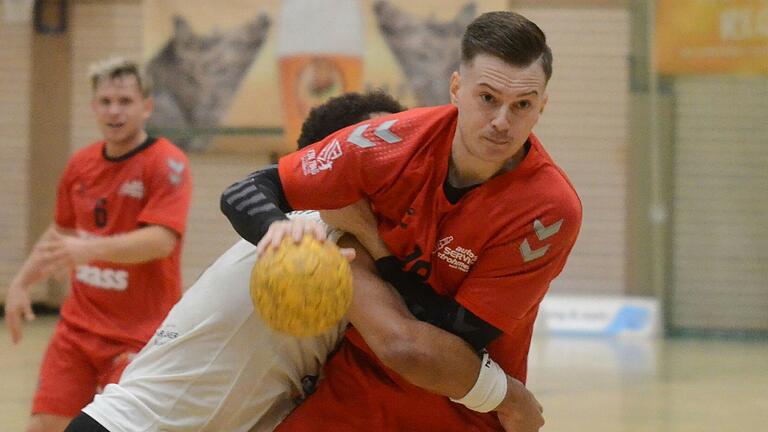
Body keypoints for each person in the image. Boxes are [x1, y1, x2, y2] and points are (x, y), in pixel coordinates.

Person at [221, 11, 582, 432]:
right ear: (456, 89)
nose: (502, 121)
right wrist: (281, 231)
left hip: (461, 408)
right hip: (351, 393)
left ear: (542, 106)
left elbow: (452, 339)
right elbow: (244, 193)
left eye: (522, 104)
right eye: (487, 98)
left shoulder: (549, 210)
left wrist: (374, 248)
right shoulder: (389, 143)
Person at [63, 92, 407, 432]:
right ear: (329, 164)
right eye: (378, 150)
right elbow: (407, 344)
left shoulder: (346, 236)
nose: (396, 164)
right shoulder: (317, 229)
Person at [4, 57, 192, 432]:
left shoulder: (166, 163)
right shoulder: (81, 164)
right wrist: (21, 283)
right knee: (42, 425)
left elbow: (161, 241)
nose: (114, 111)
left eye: (124, 101)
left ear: (146, 106)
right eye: (105, 102)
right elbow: (60, 234)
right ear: (93, 108)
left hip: (139, 336)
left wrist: (88, 250)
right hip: (77, 331)